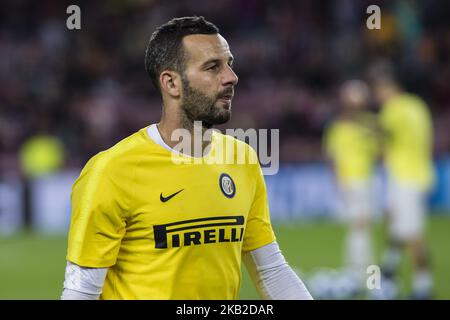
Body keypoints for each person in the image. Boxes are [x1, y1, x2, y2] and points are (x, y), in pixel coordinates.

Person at [61, 16, 312, 300]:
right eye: (212, 67)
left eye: (229, 63)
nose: (231, 77)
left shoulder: (242, 158)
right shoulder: (112, 170)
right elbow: (81, 291)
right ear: (171, 83)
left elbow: (272, 271)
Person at [372, 72, 435, 299]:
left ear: (388, 88)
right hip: (421, 172)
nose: (378, 98)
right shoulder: (418, 105)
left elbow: (381, 140)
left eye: (379, 92)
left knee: (412, 234)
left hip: (404, 177)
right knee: (395, 223)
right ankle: (388, 273)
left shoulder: (393, 109)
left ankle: (424, 287)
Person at [323, 80, 378, 296]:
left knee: (360, 228)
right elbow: (333, 159)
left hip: (365, 181)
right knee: (359, 227)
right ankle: (363, 275)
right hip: (351, 182)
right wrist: (338, 184)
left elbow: (378, 152)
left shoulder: (368, 125)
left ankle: (358, 274)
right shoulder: (338, 128)